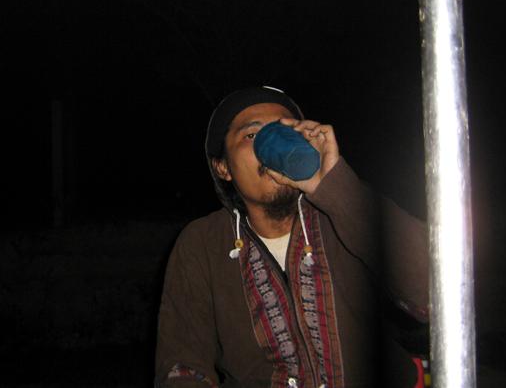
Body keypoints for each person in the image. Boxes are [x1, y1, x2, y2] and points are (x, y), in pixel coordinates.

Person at [155, 86, 429, 388]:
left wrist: (335, 184)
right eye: (251, 135)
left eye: (284, 131)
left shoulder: (342, 213)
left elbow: (434, 290)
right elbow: (183, 368)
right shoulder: (203, 243)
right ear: (223, 167)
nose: (269, 146)